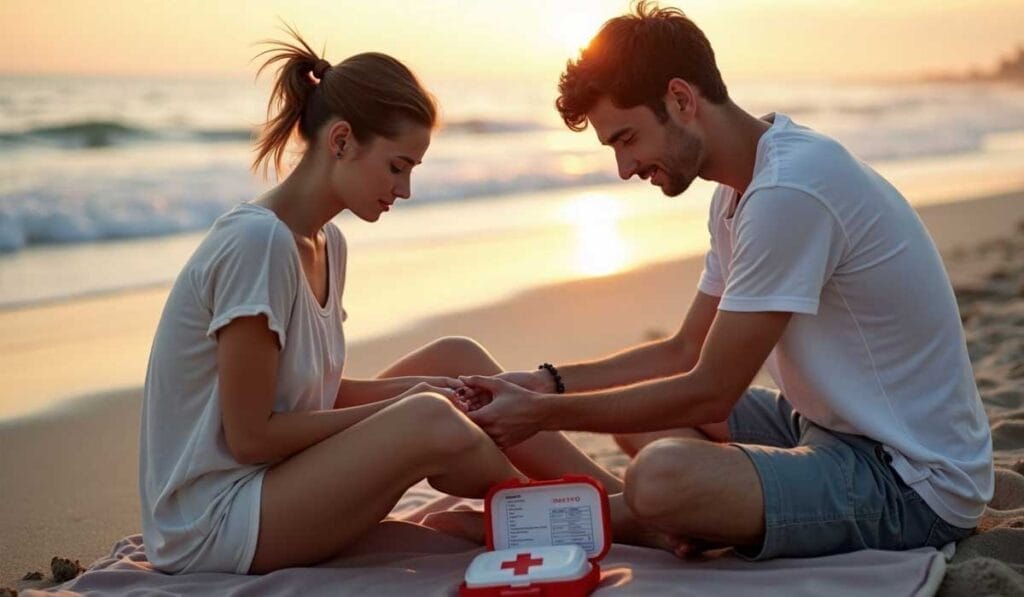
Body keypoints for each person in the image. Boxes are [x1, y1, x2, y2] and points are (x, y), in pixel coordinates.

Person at [459, 2, 994, 560]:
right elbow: (684, 351)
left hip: (910, 481)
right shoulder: (738, 190)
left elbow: (712, 386)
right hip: (827, 425)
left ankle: (599, 516)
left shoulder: (792, 189)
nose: (624, 167)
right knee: (639, 426)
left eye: (626, 138)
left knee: (660, 474)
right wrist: (546, 384)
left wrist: (540, 416)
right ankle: (647, 518)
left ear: (681, 100)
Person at [138, 28, 651, 575]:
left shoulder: (326, 243)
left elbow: (315, 396)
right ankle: (590, 517)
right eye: (397, 166)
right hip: (215, 525)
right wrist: (407, 409)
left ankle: (613, 498)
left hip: (273, 490)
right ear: (340, 142)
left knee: (455, 361)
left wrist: (423, 388)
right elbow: (250, 437)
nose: (403, 190)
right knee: (431, 419)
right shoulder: (256, 244)